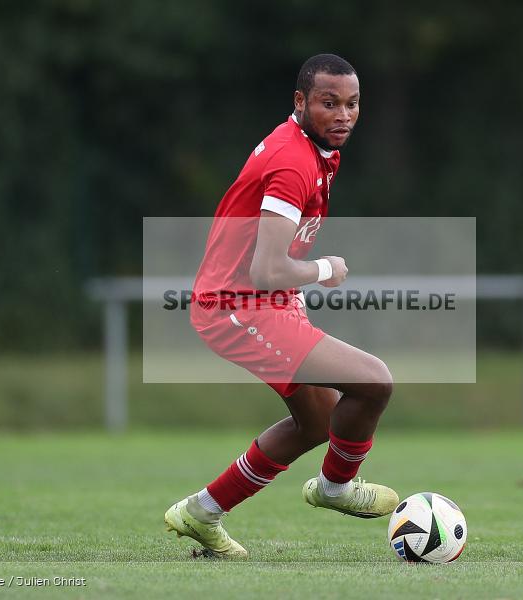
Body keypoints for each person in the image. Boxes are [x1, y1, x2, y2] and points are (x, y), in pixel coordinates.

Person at [164, 54, 397, 559]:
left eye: (352, 103)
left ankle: (201, 512)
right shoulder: (294, 161)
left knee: (318, 422)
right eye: (329, 103)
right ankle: (335, 487)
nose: (343, 115)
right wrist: (324, 269)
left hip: (264, 302)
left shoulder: (314, 148)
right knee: (374, 381)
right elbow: (266, 270)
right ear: (300, 101)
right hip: (237, 307)